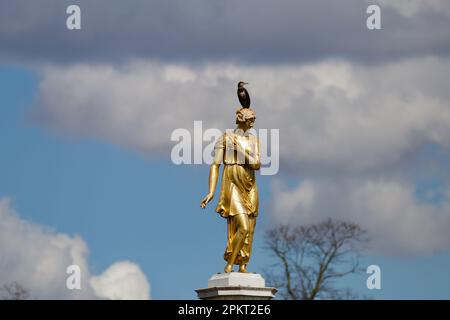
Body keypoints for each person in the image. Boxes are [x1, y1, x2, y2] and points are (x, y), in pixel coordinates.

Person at [200, 107, 260, 273]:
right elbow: (215, 165)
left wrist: (240, 150)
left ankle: (243, 264)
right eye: (251, 119)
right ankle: (230, 263)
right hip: (232, 182)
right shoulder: (225, 138)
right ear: (242, 119)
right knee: (243, 226)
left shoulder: (254, 141)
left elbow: (256, 164)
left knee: (251, 227)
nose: (253, 123)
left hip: (250, 185)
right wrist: (211, 191)